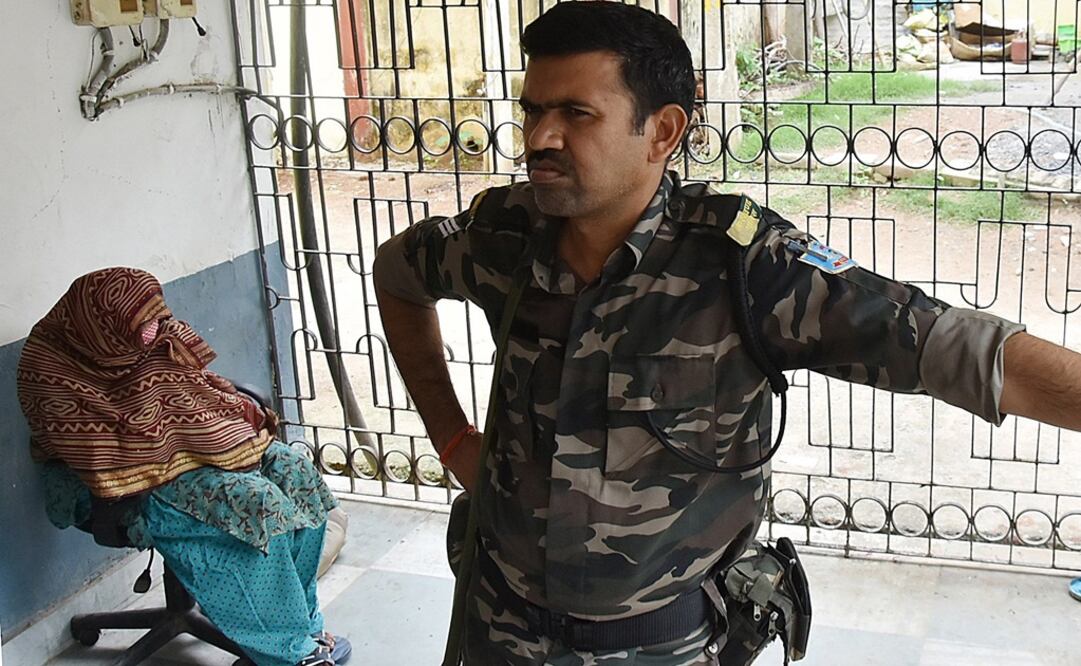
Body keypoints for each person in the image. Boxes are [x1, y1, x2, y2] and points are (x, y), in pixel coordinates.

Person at [372, 2, 1081, 664]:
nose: (539, 139)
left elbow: (952, 346)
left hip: (663, 644)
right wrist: (451, 437)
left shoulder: (743, 263)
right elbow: (396, 276)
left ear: (663, 131)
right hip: (497, 626)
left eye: (575, 114)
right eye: (532, 111)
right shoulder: (502, 236)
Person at [17, 267, 351, 666]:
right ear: (102, 325)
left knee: (294, 472)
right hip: (130, 482)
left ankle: (301, 626)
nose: (155, 331)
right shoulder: (51, 366)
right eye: (143, 324)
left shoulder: (158, 337)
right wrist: (183, 440)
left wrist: (215, 426)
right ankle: (285, 652)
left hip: (194, 454)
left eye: (156, 318)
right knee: (256, 505)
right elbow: (97, 451)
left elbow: (196, 390)